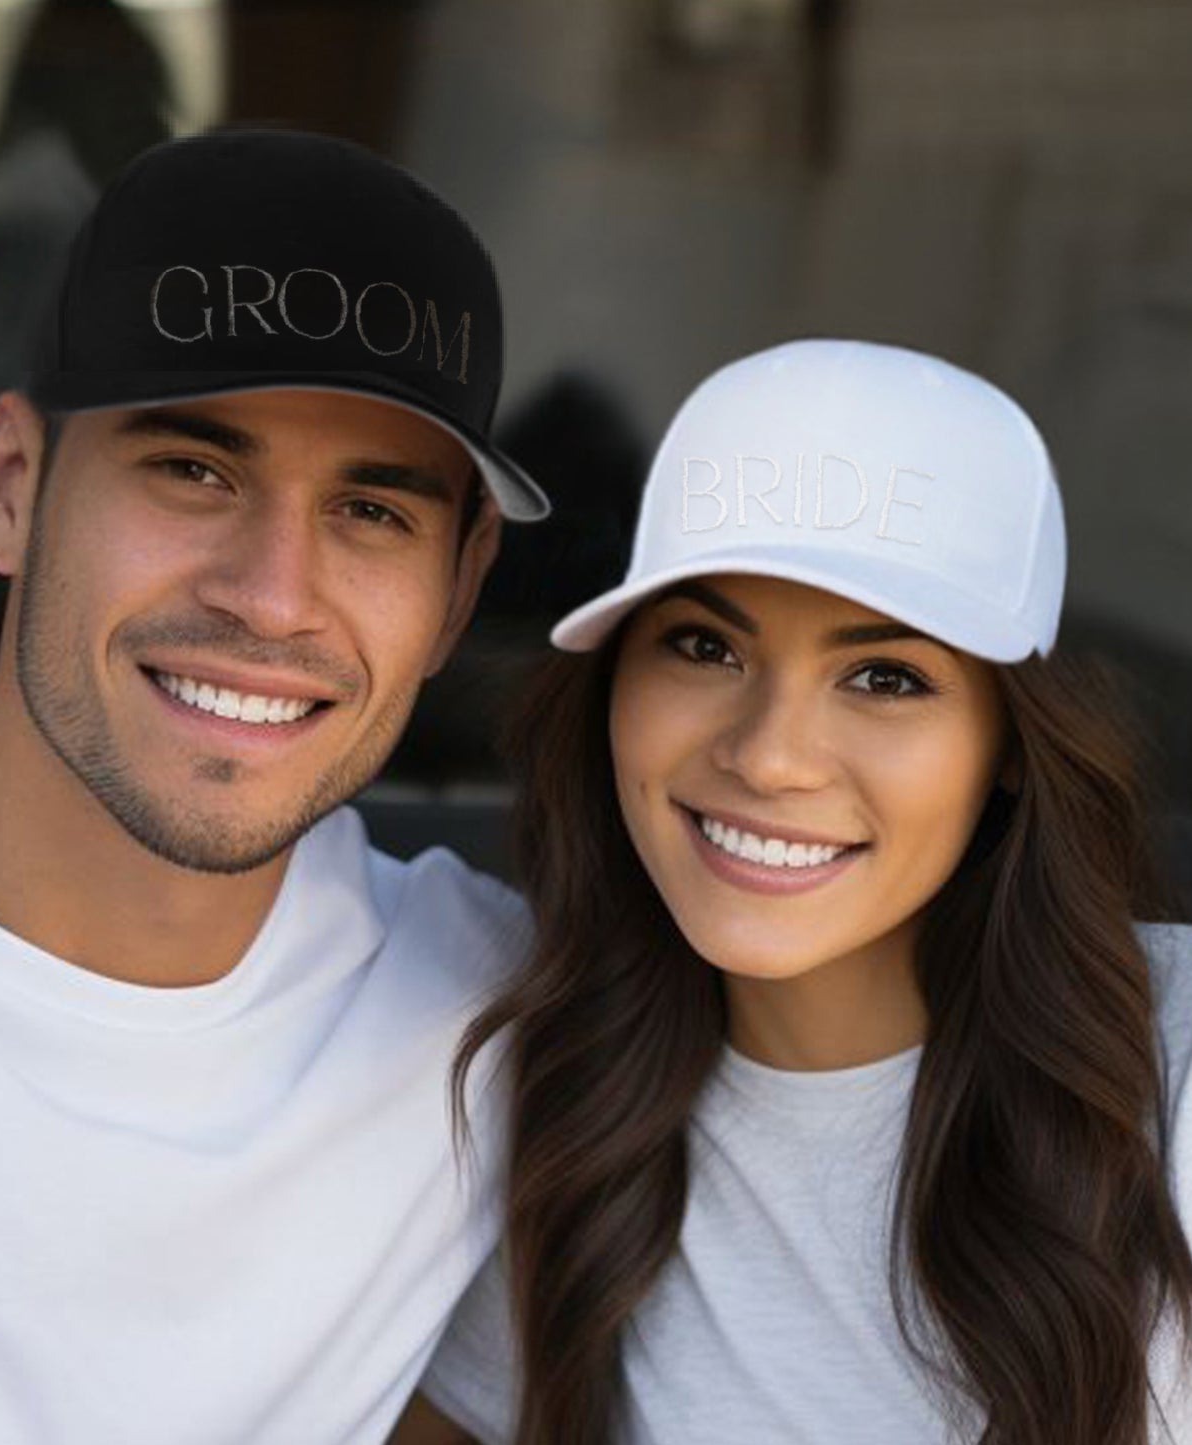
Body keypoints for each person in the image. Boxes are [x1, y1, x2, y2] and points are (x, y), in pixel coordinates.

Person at [0, 130, 550, 1445]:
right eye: (193, 469)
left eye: (373, 513)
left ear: (456, 594)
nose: (273, 595)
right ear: (11, 488)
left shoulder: (499, 1036)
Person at [403, 339, 1192, 1445]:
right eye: (702, 644)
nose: (769, 756)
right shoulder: (552, 1097)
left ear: (1009, 742)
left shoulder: (1171, 1064)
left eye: (883, 677)